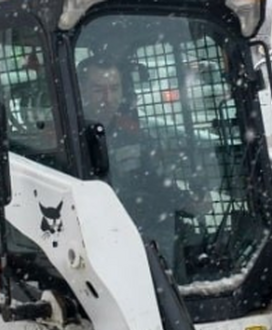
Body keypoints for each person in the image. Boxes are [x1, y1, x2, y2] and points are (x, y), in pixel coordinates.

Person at [76, 55, 210, 258]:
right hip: (86, 236)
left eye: (114, 89)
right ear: (81, 92)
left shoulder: (131, 134)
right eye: (98, 90)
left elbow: (154, 179)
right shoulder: (66, 136)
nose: (108, 98)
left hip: (138, 231)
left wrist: (187, 202)